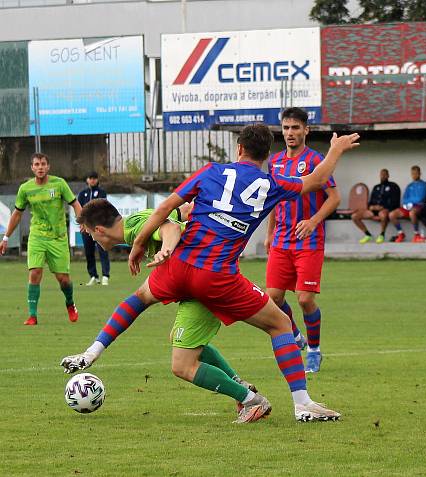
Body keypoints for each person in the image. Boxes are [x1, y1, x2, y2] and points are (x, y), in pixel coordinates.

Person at [61, 124, 360, 422]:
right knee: (281, 324)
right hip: (216, 274)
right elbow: (318, 179)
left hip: (178, 267)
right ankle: (302, 403)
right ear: (267, 154)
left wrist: (139, 245)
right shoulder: (271, 183)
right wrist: (336, 149)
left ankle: (246, 396)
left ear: (239, 149)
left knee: (159, 328)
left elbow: (166, 208)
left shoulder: (210, 172)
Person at [73, 199, 261, 422]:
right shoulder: (137, 224)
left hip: (203, 278)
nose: (92, 240)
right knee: (180, 340)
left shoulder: (134, 226)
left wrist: (167, 249)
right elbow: (176, 215)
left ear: (99, 230)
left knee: (182, 365)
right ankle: (240, 385)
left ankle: (251, 400)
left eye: (90, 235)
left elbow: (169, 228)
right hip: (197, 280)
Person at [265, 107, 339, 373]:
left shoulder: (317, 160)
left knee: (305, 300)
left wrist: (313, 221)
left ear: (306, 130)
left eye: (295, 128)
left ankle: (315, 350)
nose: (290, 133)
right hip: (282, 240)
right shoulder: (274, 162)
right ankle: (296, 336)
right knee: (272, 298)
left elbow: (334, 197)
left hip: (308, 241)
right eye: (286, 128)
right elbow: (274, 198)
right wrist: (269, 232)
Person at [0, 152, 81, 325]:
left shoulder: (59, 184)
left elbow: (75, 203)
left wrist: (82, 221)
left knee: (63, 279)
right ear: (32, 168)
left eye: (43, 164)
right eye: (36, 164)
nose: (40, 167)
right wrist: (6, 237)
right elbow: (16, 214)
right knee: (35, 273)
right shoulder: (25, 188)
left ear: (48, 166)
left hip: (57, 237)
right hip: (37, 236)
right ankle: (32, 315)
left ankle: (70, 303)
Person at [77, 171, 110, 285]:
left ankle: (105, 275)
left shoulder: (102, 192)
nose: (92, 180)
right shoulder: (82, 194)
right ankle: (93, 276)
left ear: (97, 180)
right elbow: (79, 210)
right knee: (89, 252)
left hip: (99, 227)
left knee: (103, 250)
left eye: (94, 178)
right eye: (90, 178)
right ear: (87, 180)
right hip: (86, 228)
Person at [351, 169, 400, 244]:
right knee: (354, 216)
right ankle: (367, 234)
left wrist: (383, 207)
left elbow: (395, 202)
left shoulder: (393, 186)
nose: (383, 176)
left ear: (388, 175)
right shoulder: (376, 187)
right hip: (373, 210)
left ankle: (382, 235)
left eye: (384, 174)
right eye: (381, 174)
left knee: (382, 214)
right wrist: (371, 207)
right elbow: (371, 201)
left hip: (385, 210)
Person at [388, 165, 426, 243]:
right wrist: (408, 203)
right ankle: (401, 233)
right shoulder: (409, 186)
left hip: (419, 206)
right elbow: (404, 199)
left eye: (416, 173)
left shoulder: (424, 185)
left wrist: (411, 201)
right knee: (391, 214)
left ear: (420, 174)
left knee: (412, 213)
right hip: (408, 206)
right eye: (412, 173)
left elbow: (421, 198)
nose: (414, 175)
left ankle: (416, 235)